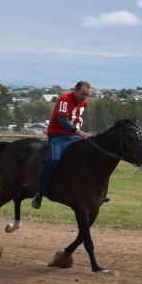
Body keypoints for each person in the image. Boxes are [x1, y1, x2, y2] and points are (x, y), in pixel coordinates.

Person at [31, 80, 92, 208]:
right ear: (75, 90)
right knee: (54, 159)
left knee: (91, 157)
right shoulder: (64, 99)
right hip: (58, 136)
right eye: (82, 94)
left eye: (87, 95)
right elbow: (63, 120)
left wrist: (79, 134)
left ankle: (94, 191)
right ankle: (39, 193)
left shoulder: (83, 103)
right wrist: (80, 133)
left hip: (74, 137)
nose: (84, 97)